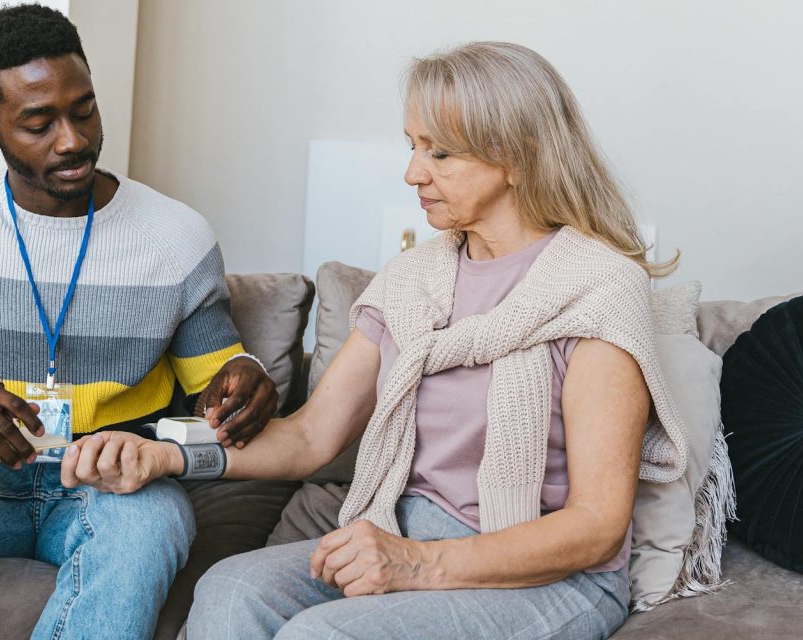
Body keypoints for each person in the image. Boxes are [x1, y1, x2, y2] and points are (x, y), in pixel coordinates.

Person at [60, 42, 690, 639]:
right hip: (402, 530)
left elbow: (597, 527)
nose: (413, 171)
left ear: (517, 157)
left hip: (546, 572)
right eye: (413, 146)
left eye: (440, 153)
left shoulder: (599, 290)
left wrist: (418, 564)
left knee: (322, 635)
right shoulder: (412, 281)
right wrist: (162, 454)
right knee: (228, 589)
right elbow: (310, 437)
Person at [0, 5, 278, 640]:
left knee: (155, 516)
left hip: (104, 484)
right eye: (38, 122)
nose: (72, 140)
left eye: (83, 110)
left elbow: (217, 380)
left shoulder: (176, 237)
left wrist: (245, 378)